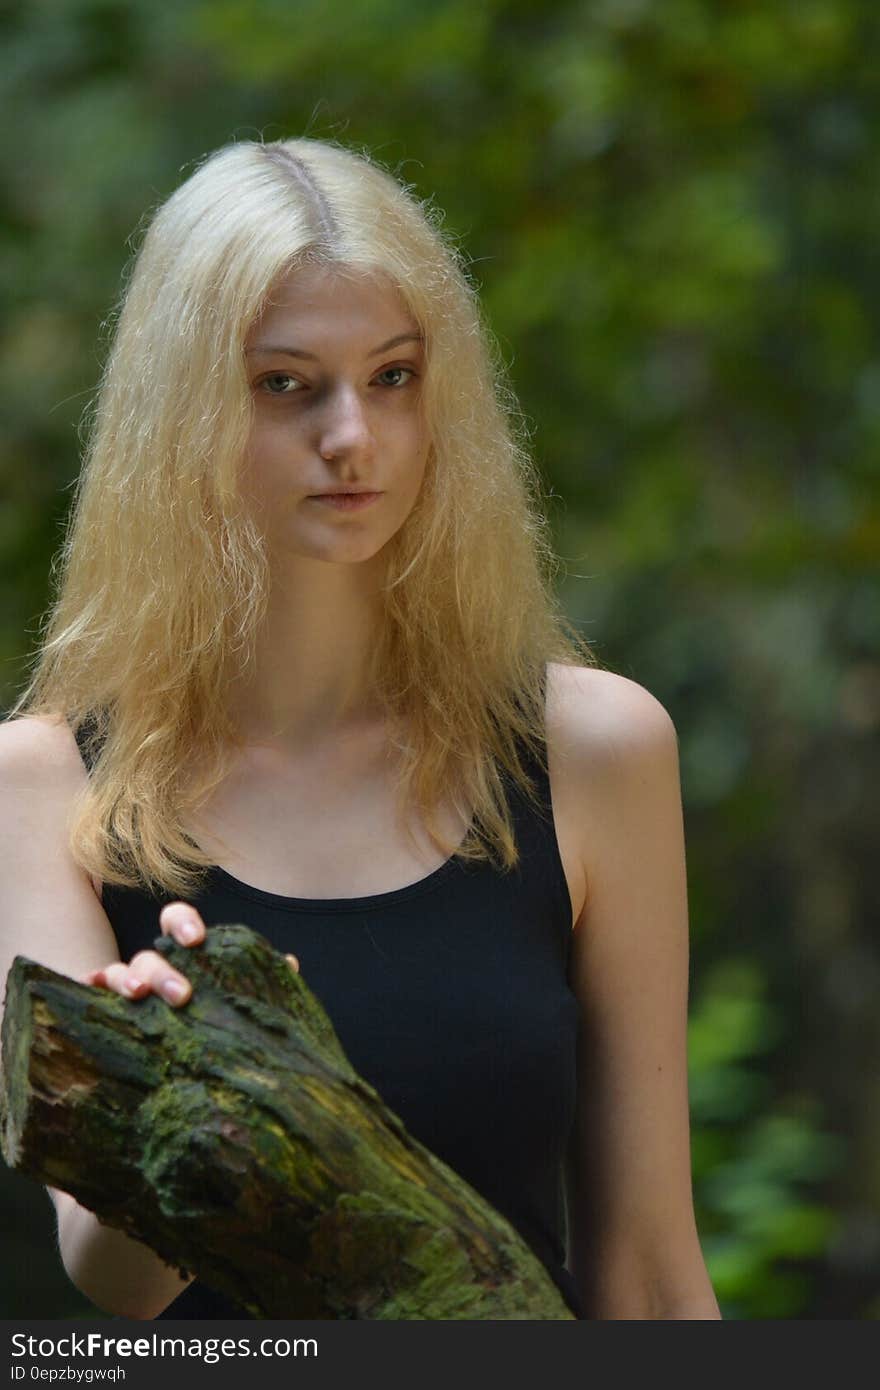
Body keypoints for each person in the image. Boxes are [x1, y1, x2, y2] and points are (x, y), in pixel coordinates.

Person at [0, 136, 720, 1320]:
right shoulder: (46, 787)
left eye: (392, 376)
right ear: (180, 412)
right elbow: (112, 1281)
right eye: (288, 384)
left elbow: (645, 1270)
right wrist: (215, 1086)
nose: (354, 436)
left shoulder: (595, 753)